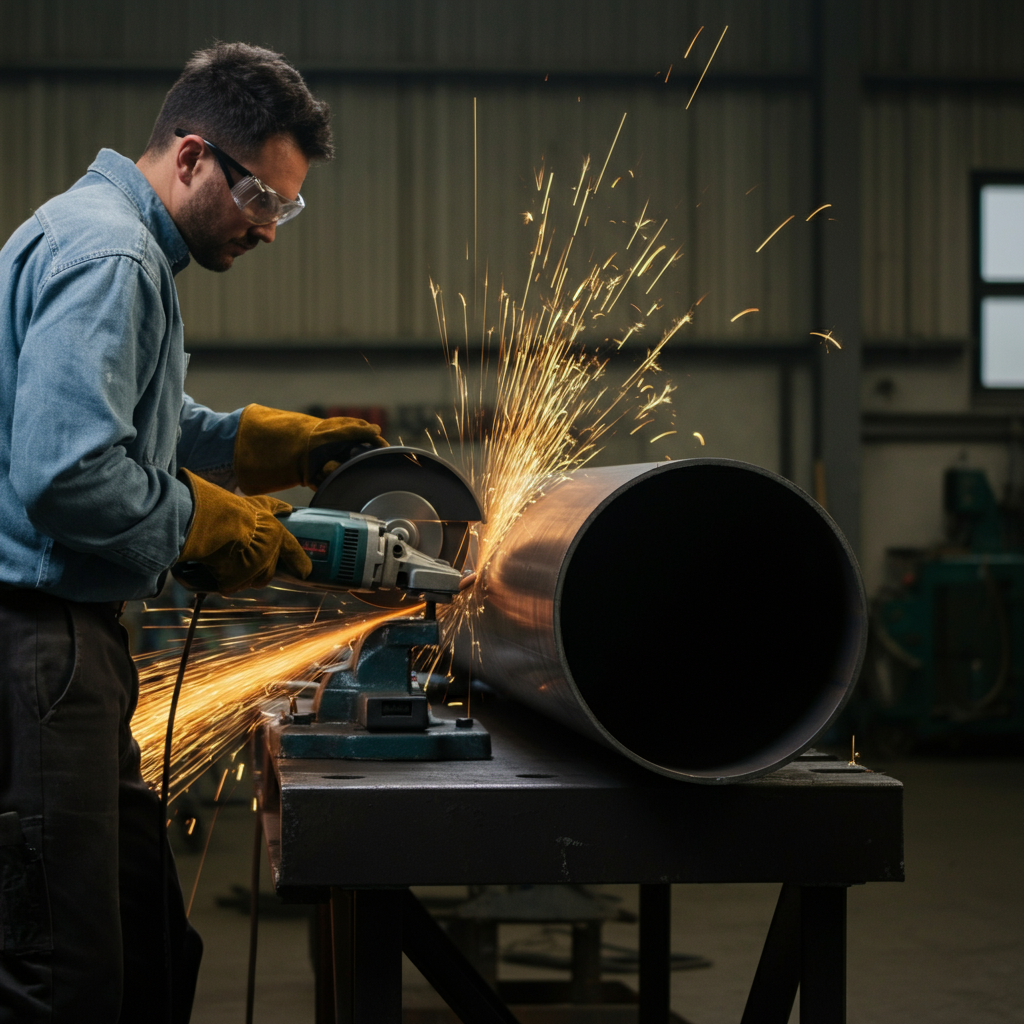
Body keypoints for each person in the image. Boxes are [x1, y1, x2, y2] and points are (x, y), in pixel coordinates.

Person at [0, 43, 385, 1022]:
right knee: (67, 973)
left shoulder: (119, 247)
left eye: (286, 208)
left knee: (150, 948)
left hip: (72, 653)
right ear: (191, 156)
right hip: (34, 648)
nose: (269, 228)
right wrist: (205, 521)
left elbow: (140, 428)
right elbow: (69, 474)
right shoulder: (110, 254)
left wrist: (264, 446)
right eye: (263, 198)